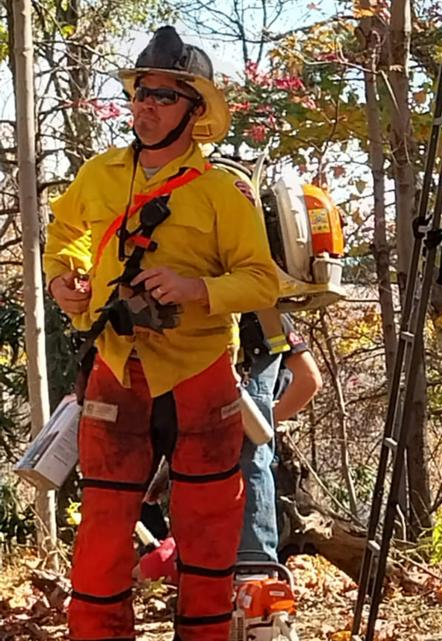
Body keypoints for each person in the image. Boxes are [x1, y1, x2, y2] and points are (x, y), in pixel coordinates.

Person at [44, 26, 278, 641]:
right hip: (116, 366)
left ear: (194, 111)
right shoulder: (98, 175)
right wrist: (60, 280)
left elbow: (262, 282)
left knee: (207, 527)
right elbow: (64, 231)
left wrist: (197, 288)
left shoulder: (224, 192)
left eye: (163, 96)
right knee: (101, 526)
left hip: (200, 374)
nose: (146, 106)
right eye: (140, 93)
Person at [236, 310, 322, 563]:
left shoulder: (263, 317)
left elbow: (309, 380)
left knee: (251, 460)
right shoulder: (264, 311)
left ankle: (256, 567)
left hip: (257, 457)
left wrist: (262, 422)